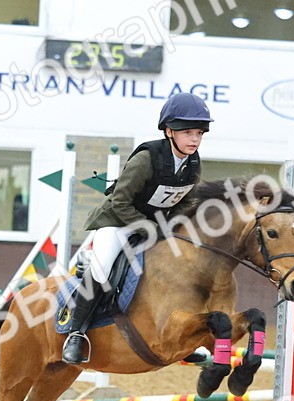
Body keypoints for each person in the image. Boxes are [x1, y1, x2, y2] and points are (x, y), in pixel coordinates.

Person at [61, 92, 212, 364]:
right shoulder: (147, 157)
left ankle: (181, 339)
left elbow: (185, 199)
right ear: (169, 131)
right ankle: (75, 332)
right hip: (118, 221)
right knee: (103, 269)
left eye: (199, 133)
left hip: (152, 225)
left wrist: (170, 227)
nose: (194, 139)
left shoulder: (193, 163)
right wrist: (151, 227)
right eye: (188, 132)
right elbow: (119, 201)